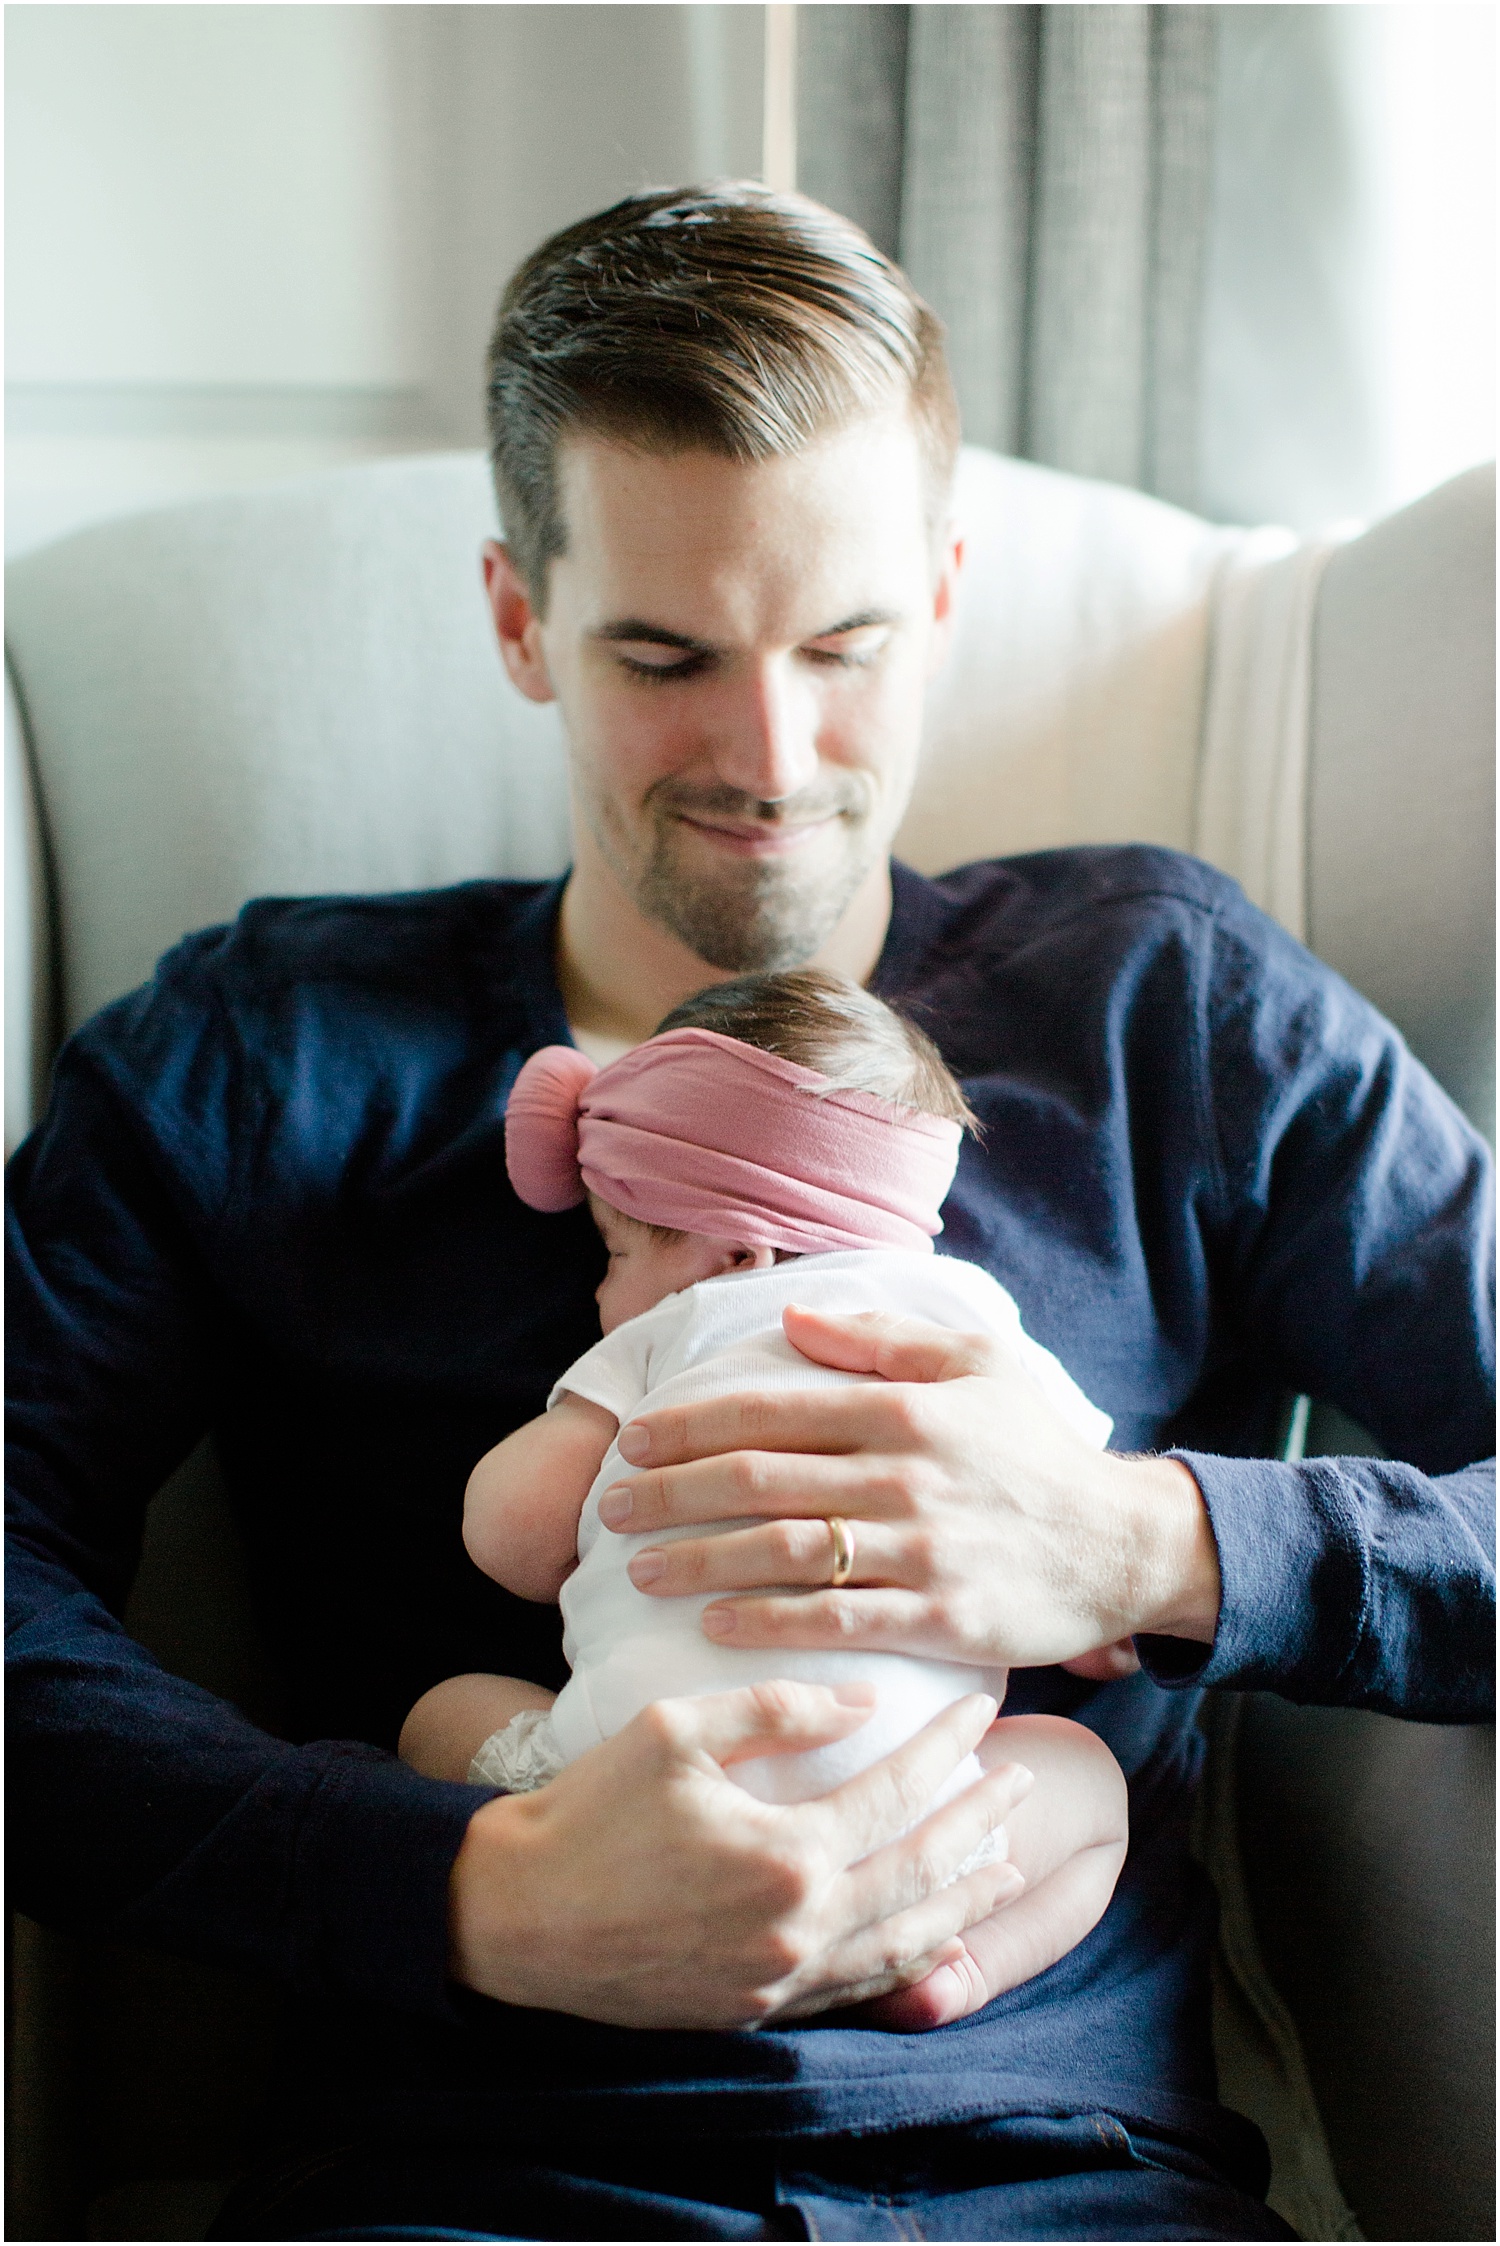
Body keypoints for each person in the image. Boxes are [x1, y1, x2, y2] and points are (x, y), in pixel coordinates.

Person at [6, 183, 1492, 2243]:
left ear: (948, 591)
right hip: (466, 2180)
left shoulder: (1165, 1007)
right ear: (520, 618)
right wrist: (460, 1887)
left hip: (1066, 2182)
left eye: (847, 644)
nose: (771, 756)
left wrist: (1139, 1539)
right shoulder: (261, 1051)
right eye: (663, 654)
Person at [398, 968, 1130, 2033]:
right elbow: (1092, 1533)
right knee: (1088, 1781)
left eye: (613, 1251)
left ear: (737, 1252)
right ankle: (960, 1966)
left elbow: (508, 1535)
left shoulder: (673, 1331)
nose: (600, 1293)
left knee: (443, 1710)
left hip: (623, 1809)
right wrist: (1107, 1620)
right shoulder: (976, 1324)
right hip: (911, 1826)